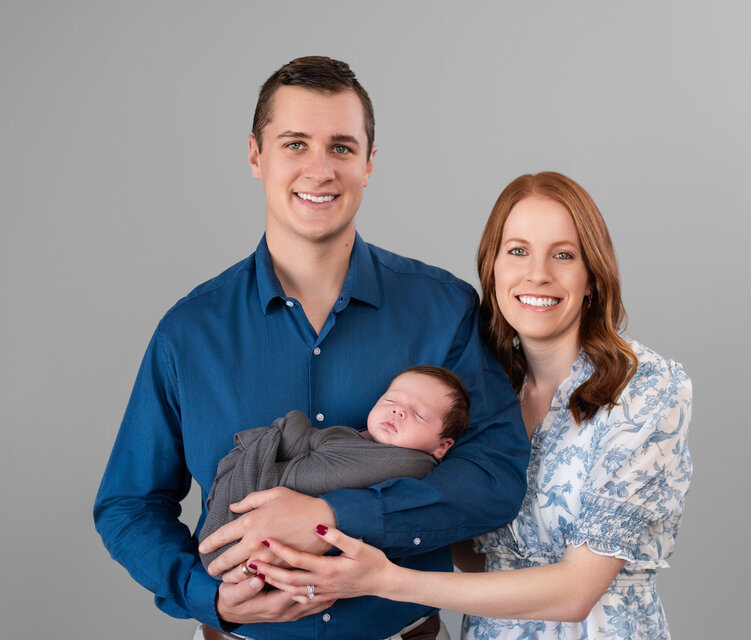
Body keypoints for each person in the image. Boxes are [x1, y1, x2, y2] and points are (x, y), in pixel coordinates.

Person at [93, 56, 530, 640]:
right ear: (256, 155)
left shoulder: (445, 309)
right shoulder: (188, 332)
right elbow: (127, 504)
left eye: (342, 148)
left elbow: (495, 477)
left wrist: (329, 516)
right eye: (295, 144)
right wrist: (210, 597)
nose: (319, 170)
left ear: (370, 163)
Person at [253, 172, 693, 640]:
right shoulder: (476, 390)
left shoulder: (645, 386)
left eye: (563, 255)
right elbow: (469, 548)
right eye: (517, 251)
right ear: (493, 267)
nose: (537, 273)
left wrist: (388, 579)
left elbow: (577, 591)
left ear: (591, 277)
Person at [199, 365, 471, 570]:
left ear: (442, 447)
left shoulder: (409, 464)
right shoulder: (355, 439)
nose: (397, 411)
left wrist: (294, 425)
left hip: (259, 539)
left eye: (419, 414)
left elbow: (305, 477)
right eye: (391, 401)